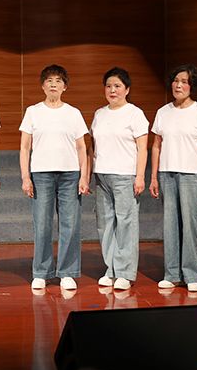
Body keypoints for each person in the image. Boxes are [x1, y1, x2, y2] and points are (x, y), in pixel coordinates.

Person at [19, 64, 89, 291]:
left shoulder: (73, 113)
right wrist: (25, 177)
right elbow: (25, 147)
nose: (53, 84)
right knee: (42, 224)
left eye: (58, 81)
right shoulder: (33, 111)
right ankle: (41, 272)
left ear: (64, 87)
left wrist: (84, 176)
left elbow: (81, 147)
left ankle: (67, 272)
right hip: (41, 174)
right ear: (42, 85)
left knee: (70, 224)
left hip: (70, 175)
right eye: (49, 80)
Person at [149, 64, 197, 292]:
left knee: (192, 224)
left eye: (184, 82)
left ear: (191, 86)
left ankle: (193, 274)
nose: (178, 85)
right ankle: (172, 274)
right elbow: (156, 146)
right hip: (167, 173)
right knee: (170, 225)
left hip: (192, 174)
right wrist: (154, 176)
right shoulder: (163, 112)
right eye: (176, 81)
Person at [89, 67, 148, 291]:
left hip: (125, 175)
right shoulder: (99, 114)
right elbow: (93, 146)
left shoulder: (135, 113)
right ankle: (111, 269)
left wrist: (140, 176)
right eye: (108, 86)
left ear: (127, 89)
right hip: (102, 174)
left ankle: (125, 272)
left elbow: (142, 148)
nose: (112, 90)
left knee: (126, 223)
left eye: (117, 86)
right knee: (105, 224)